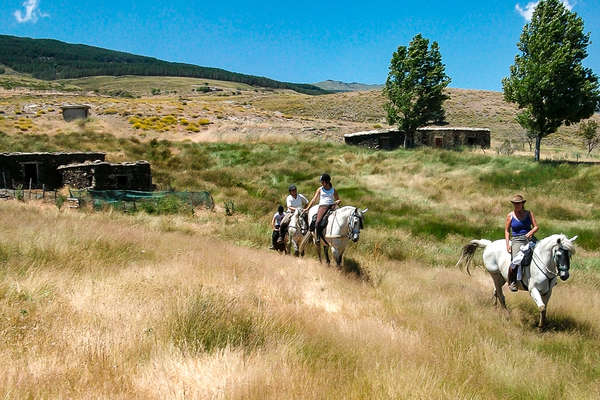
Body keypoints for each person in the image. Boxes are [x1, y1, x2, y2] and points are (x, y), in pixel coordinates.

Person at [504, 194, 538, 291]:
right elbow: (506, 230)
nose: (517, 205)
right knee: (516, 260)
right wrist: (508, 244)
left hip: (529, 238)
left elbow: (536, 226)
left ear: (522, 204)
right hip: (517, 240)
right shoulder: (510, 216)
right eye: (515, 204)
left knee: (543, 252)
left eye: (519, 203)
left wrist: (530, 232)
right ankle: (512, 281)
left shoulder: (529, 213)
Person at [304, 173, 341, 245]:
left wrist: (337, 202)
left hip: (332, 206)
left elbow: (338, 200)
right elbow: (313, 200)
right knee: (317, 222)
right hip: (323, 207)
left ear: (326, 182)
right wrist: (307, 208)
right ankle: (317, 238)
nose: (321, 183)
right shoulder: (320, 189)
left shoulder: (333, 190)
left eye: (322, 181)